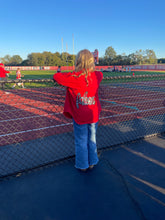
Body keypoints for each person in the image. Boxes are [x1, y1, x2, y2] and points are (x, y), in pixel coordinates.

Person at [53, 49, 103, 171]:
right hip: (93, 115)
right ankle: (92, 161)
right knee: (92, 139)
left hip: (80, 115)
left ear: (78, 61)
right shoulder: (96, 75)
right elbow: (100, 74)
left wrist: (75, 72)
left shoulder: (73, 78)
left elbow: (57, 76)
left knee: (81, 141)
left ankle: (82, 165)